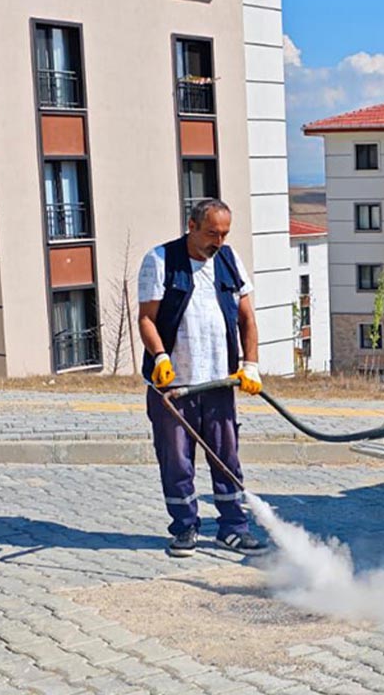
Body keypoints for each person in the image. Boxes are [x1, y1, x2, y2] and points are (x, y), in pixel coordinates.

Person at [137, 198, 268, 557]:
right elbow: (146, 318)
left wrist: (251, 364)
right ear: (191, 226)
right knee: (177, 459)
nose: (219, 242)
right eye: (212, 233)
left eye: (225, 233)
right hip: (173, 388)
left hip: (219, 383)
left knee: (227, 458)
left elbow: (246, 318)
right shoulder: (160, 260)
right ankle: (184, 528)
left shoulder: (229, 260)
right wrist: (160, 356)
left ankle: (233, 529)